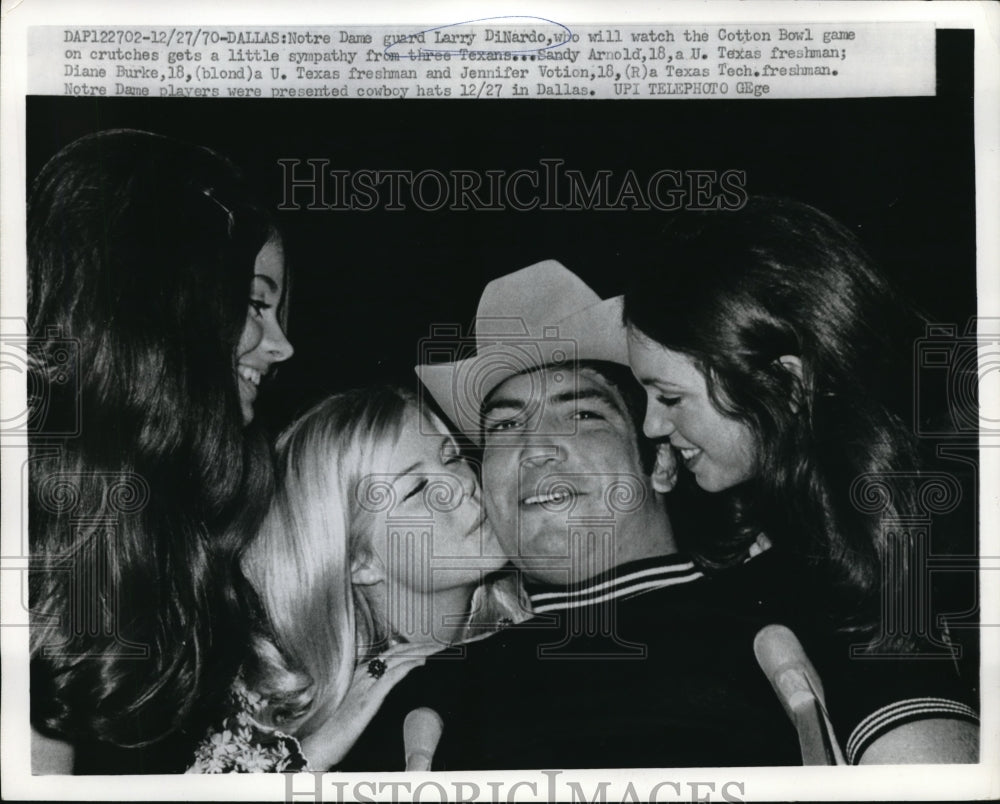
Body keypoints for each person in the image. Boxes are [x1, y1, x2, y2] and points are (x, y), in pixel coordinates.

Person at [341, 259, 977, 770]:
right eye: (505, 428)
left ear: (663, 461)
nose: (534, 447)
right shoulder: (418, 692)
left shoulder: (818, 595)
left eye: (582, 414)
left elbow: (927, 759)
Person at [623, 197, 979, 762]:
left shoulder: (947, 516)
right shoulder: (791, 497)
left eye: (669, 397)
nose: (652, 424)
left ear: (786, 384)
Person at [27, 129, 294, 774]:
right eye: (255, 303)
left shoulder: (168, 535)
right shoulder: (33, 540)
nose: (281, 346)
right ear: (158, 304)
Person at [188, 386, 527, 772]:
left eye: (451, 457)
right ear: (359, 560)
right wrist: (323, 747)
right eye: (416, 489)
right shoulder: (275, 695)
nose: (461, 483)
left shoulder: (526, 628)